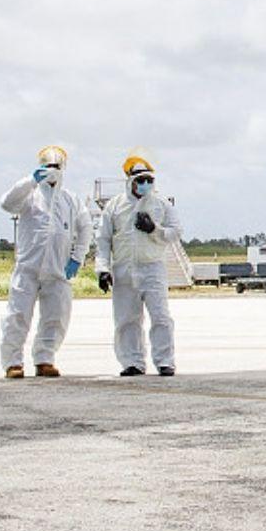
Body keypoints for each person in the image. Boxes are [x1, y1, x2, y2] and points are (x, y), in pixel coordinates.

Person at [0, 146, 94, 378]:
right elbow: (6, 203)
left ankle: (45, 359)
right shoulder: (30, 196)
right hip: (28, 269)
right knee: (17, 316)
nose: (52, 171)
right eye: (48, 166)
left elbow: (85, 228)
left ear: (63, 169)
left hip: (58, 270)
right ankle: (13, 363)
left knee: (56, 316)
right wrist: (30, 181)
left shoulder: (70, 200)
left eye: (56, 167)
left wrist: (76, 258)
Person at [96, 154, 183, 377]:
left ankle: (165, 361)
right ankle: (132, 362)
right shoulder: (114, 206)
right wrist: (103, 269)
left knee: (161, 316)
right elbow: (103, 240)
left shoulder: (161, 204)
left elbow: (175, 232)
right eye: (140, 180)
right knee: (126, 319)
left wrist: (154, 230)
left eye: (149, 180)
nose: (145, 184)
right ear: (130, 181)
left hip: (152, 267)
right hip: (123, 269)